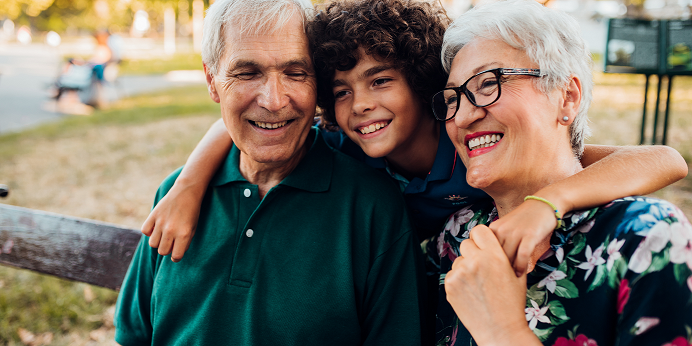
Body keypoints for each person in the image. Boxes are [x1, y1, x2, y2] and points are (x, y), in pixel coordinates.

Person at [141, 0, 687, 280]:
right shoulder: (346, 146)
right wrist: (188, 186)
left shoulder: (474, 144)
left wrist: (551, 202)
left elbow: (662, 159)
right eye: (341, 91)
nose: (362, 105)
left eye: (381, 81)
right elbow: (246, 118)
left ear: (422, 81)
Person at [113, 0, 426, 344]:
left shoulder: (373, 208)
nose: (274, 101)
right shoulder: (178, 194)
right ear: (212, 81)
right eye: (247, 73)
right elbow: (135, 336)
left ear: (318, 85)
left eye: (295, 73)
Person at [431, 1, 692, 345]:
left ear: (566, 97)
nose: (462, 116)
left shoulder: (645, 237)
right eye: (453, 98)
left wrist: (503, 332)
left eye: (488, 83)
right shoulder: (455, 235)